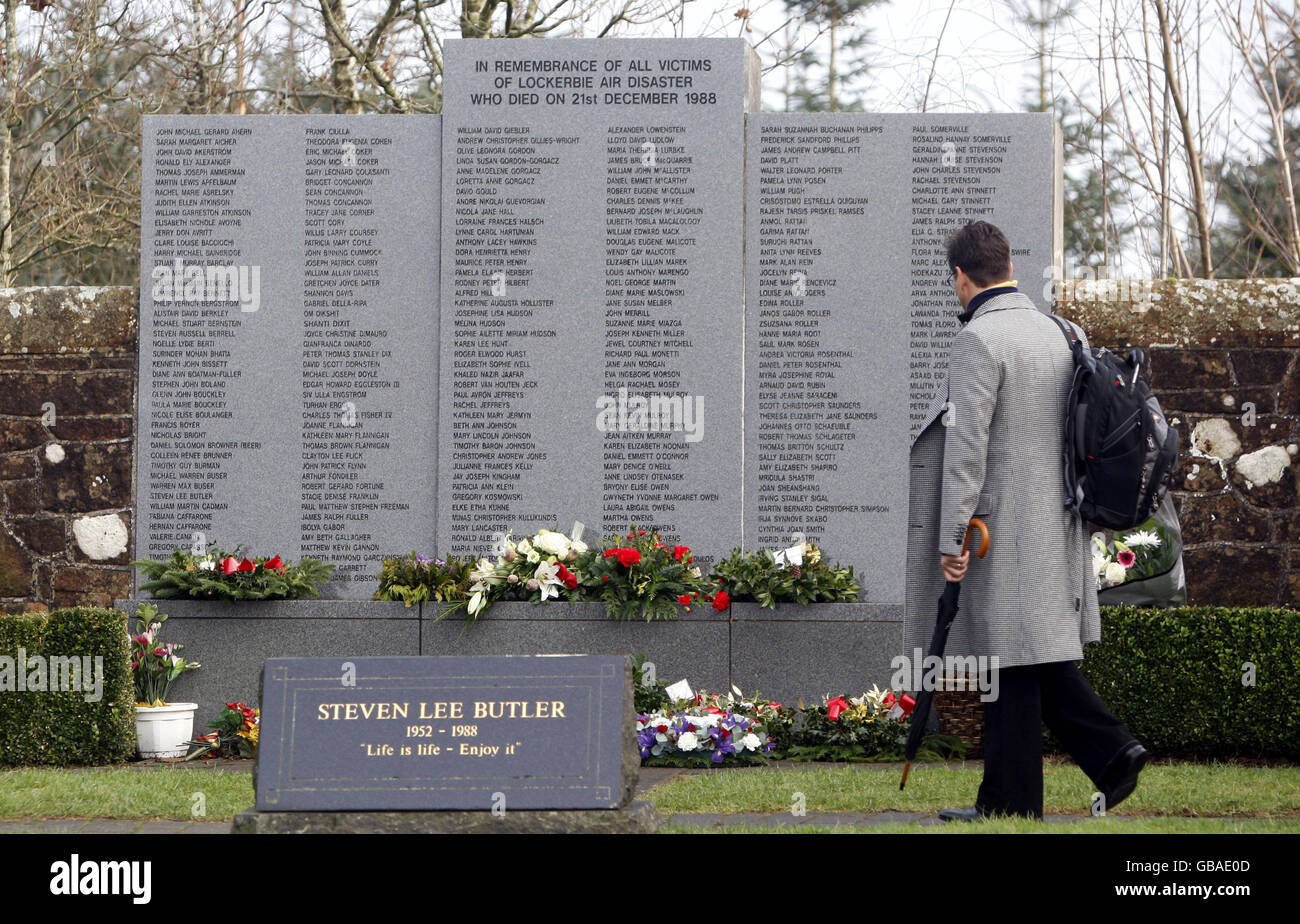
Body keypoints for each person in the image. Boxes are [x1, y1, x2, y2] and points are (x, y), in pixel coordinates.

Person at [904, 220, 1149, 821]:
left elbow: (965, 450)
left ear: (961, 277)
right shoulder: (1064, 332)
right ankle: (1027, 793)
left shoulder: (980, 341)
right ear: (1008, 265)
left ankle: (1095, 758)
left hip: (1001, 531)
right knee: (1023, 659)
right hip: (1061, 523)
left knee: (1012, 656)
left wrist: (952, 536)